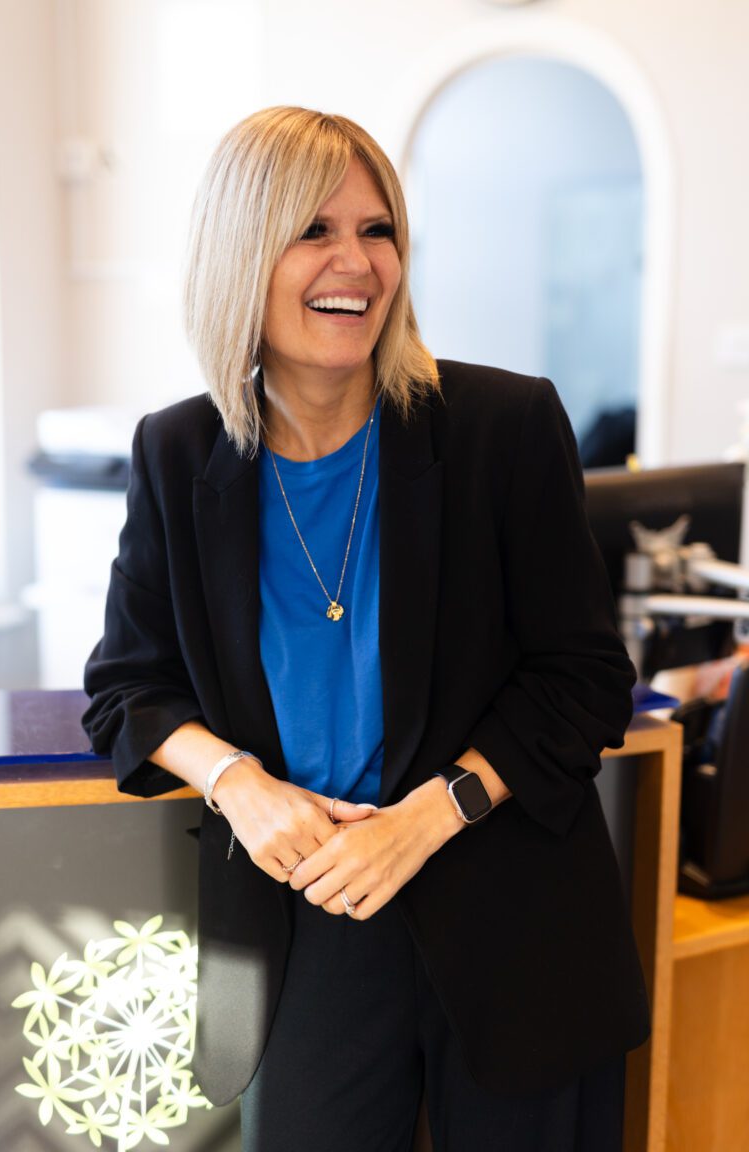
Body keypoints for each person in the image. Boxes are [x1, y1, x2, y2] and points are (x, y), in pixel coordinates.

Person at [83, 106, 650, 1152]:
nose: (356, 262)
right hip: (308, 917)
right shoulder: (178, 451)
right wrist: (237, 783)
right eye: (314, 230)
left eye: (377, 229)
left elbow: (582, 679)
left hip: (508, 906)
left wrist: (429, 815)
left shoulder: (503, 426)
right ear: (240, 255)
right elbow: (126, 687)